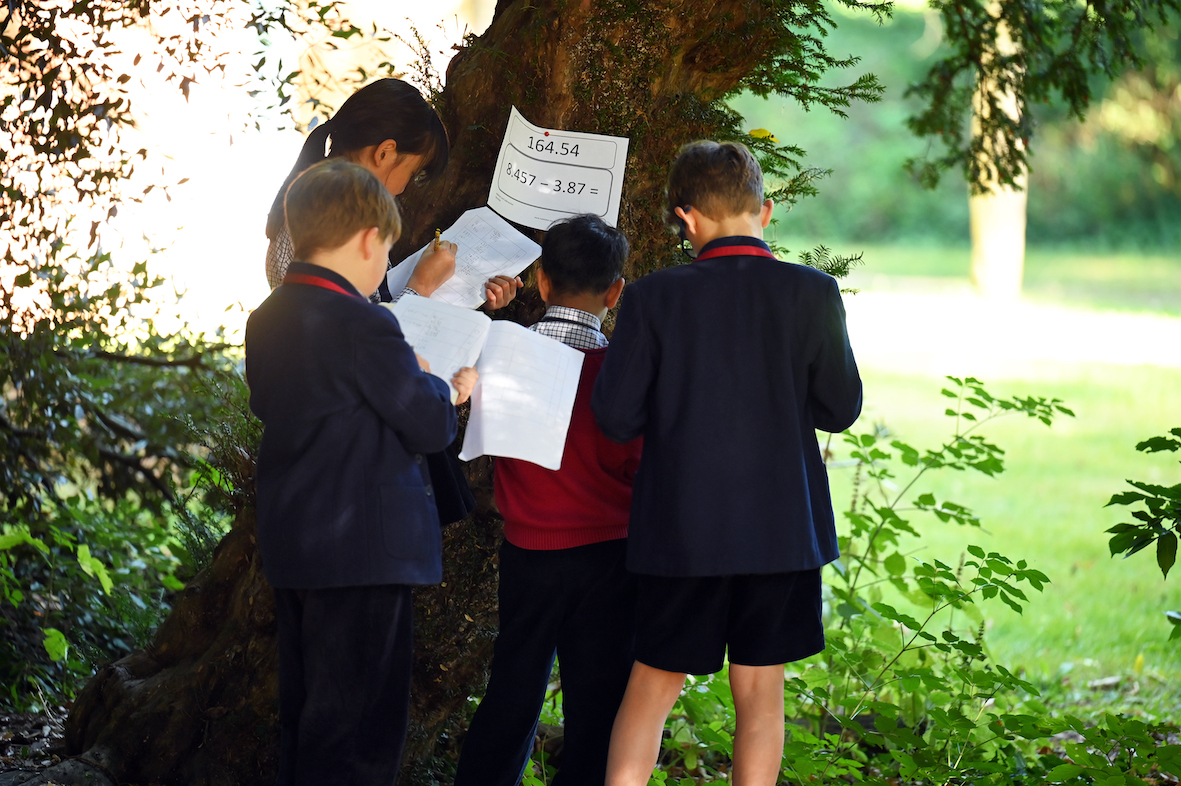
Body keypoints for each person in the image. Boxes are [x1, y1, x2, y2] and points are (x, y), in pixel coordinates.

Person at [591, 141, 863, 786]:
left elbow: (616, 417)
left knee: (653, 685)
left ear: (685, 218)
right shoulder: (813, 291)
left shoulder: (654, 298)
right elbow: (841, 408)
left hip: (682, 532)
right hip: (781, 533)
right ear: (765, 211)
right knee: (761, 690)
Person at [246, 159, 478, 785]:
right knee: (361, 732)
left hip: (298, 543)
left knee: (308, 714)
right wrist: (440, 386)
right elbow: (426, 425)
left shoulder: (267, 319)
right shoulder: (366, 323)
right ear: (371, 240)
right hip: (366, 552)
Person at [454, 215, 641, 786]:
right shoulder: (625, 373)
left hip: (528, 553)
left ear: (540, 281)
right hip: (610, 558)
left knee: (512, 690)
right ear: (616, 292)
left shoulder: (501, 352)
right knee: (598, 705)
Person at [264, 77, 521, 309]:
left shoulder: (324, 208)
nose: (403, 188)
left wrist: (469, 292)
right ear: (384, 153)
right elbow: (361, 343)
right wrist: (421, 286)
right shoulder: (329, 225)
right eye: (413, 173)